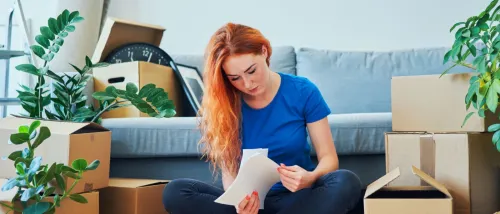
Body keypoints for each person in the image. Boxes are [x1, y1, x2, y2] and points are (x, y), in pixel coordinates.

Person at [162, 22, 362, 214]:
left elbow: (328, 158)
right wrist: (240, 203)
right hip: (251, 205)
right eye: (235, 78)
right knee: (176, 192)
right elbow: (229, 172)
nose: (247, 83)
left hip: (297, 198)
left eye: (251, 71)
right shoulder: (224, 104)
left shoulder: (303, 91)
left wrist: (310, 178)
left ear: (264, 52)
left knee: (346, 182)